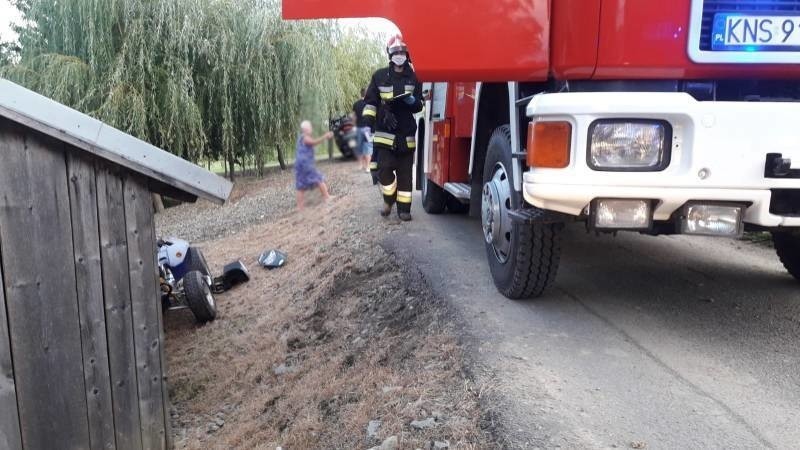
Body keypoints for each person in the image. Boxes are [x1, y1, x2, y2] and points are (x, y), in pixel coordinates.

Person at [362, 34, 424, 221]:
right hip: (385, 132)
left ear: (407, 54)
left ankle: (404, 210)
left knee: (405, 174)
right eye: (395, 51)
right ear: (389, 54)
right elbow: (371, 102)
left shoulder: (415, 78)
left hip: (406, 132)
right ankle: (389, 199)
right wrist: (377, 116)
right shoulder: (379, 76)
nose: (399, 54)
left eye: (402, 51)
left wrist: (412, 101)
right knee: (384, 170)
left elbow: (419, 104)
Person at [295, 120, 333, 210]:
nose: (311, 129)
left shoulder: (301, 138)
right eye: (310, 127)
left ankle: (300, 206)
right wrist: (325, 136)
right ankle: (327, 197)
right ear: (306, 129)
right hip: (305, 164)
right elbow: (314, 142)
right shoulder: (305, 138)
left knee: (300, 185)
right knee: (318, 178)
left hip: (300, 164)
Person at [352, 88, 373, 173]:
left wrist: (354, 126)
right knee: (368, 147)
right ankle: (368, 167)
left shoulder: (356, 104)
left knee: (359, 147)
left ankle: (360, 165)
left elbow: (354, 117)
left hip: (359, 128)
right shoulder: (370, 104)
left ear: (361, 94)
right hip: (368, 129)